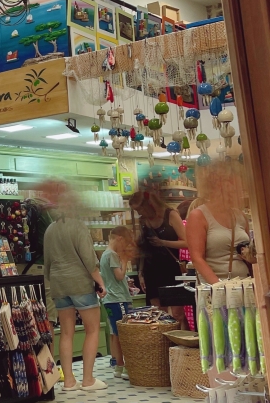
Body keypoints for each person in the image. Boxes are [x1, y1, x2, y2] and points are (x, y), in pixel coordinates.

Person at [43, 203, 107, 392]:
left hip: (58, 284)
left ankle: (69, 381)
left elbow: (47, 262)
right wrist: (100, 283)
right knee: (92, 330)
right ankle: (88, 380)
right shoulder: (78, 226)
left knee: (66, 333)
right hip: (80, 283)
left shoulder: (50, 229)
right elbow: (89, 260)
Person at [186, 161, 253, 285]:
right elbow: (197, 259)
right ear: (218, 186)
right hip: (215, 288)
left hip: (244, 284)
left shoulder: (240, 215)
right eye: (233, 187)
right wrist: (219, 286)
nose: (238, 192)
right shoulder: (198, 216)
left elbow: (248, 252)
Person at [129, 189, 187, 324]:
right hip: (151, 271)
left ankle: (179, 336)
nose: (139, 213)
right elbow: (143, 249)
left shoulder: (170, 215)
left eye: (139, 209)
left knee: (178, 314)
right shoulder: (143, 221)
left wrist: (163, 243)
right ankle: (162, 337)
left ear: (148, 205)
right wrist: (140, 273)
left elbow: (187, 242)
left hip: (170, 269)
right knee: (158, 314)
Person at [99, 225, 137, 381]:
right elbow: (119, 276)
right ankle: (127, 366)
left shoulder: (104, 255)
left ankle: (119, 365)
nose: (124, 247)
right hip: (118, 299)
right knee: (124, 332)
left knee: (115, 332)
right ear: (120, 239)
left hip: (110, 299)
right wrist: (125, 260)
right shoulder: (112, 255)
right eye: (125, 243)